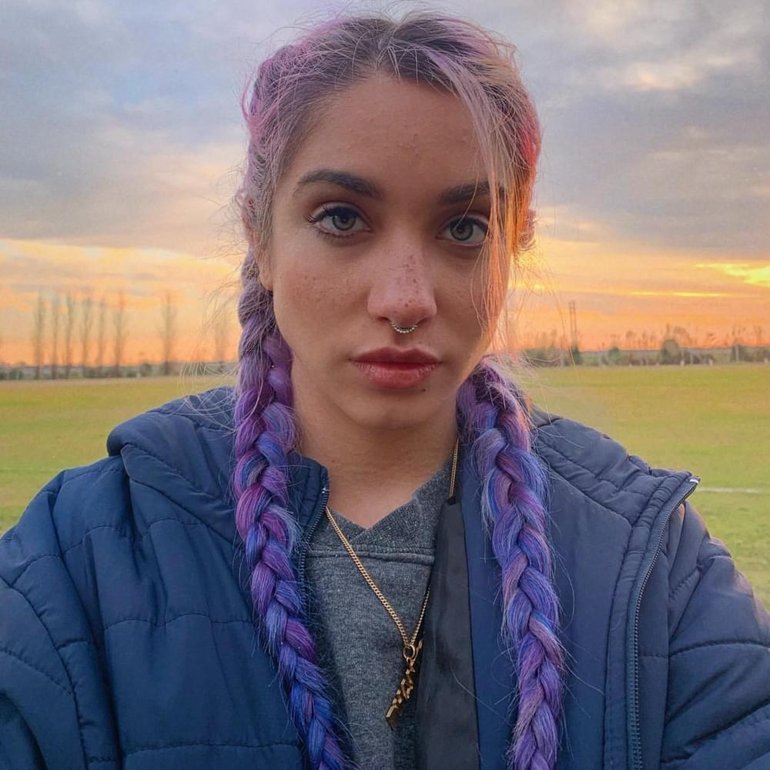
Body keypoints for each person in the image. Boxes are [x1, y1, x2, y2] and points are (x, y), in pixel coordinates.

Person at [1, 10, 769, 770]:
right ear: (260, 236)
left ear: (513, 245)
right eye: (342, 218)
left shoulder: (649, 560)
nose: (405, 300)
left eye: (465, 228)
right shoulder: (79, 562)